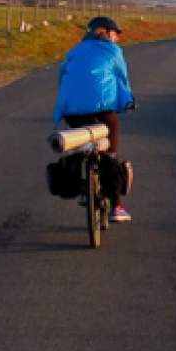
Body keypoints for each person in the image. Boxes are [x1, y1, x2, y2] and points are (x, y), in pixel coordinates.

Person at [53, 15, 137, 221]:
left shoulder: (73, 51)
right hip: (102, 109)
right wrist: (128, 101)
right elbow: (122, 79)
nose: (117, 39)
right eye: (116, 34)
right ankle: (116, 206)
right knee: (109, 150)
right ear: (107, 33)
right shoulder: (113, 51)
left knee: (81, 142)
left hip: (71, 109)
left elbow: (63, 77)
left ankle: (81, 173)